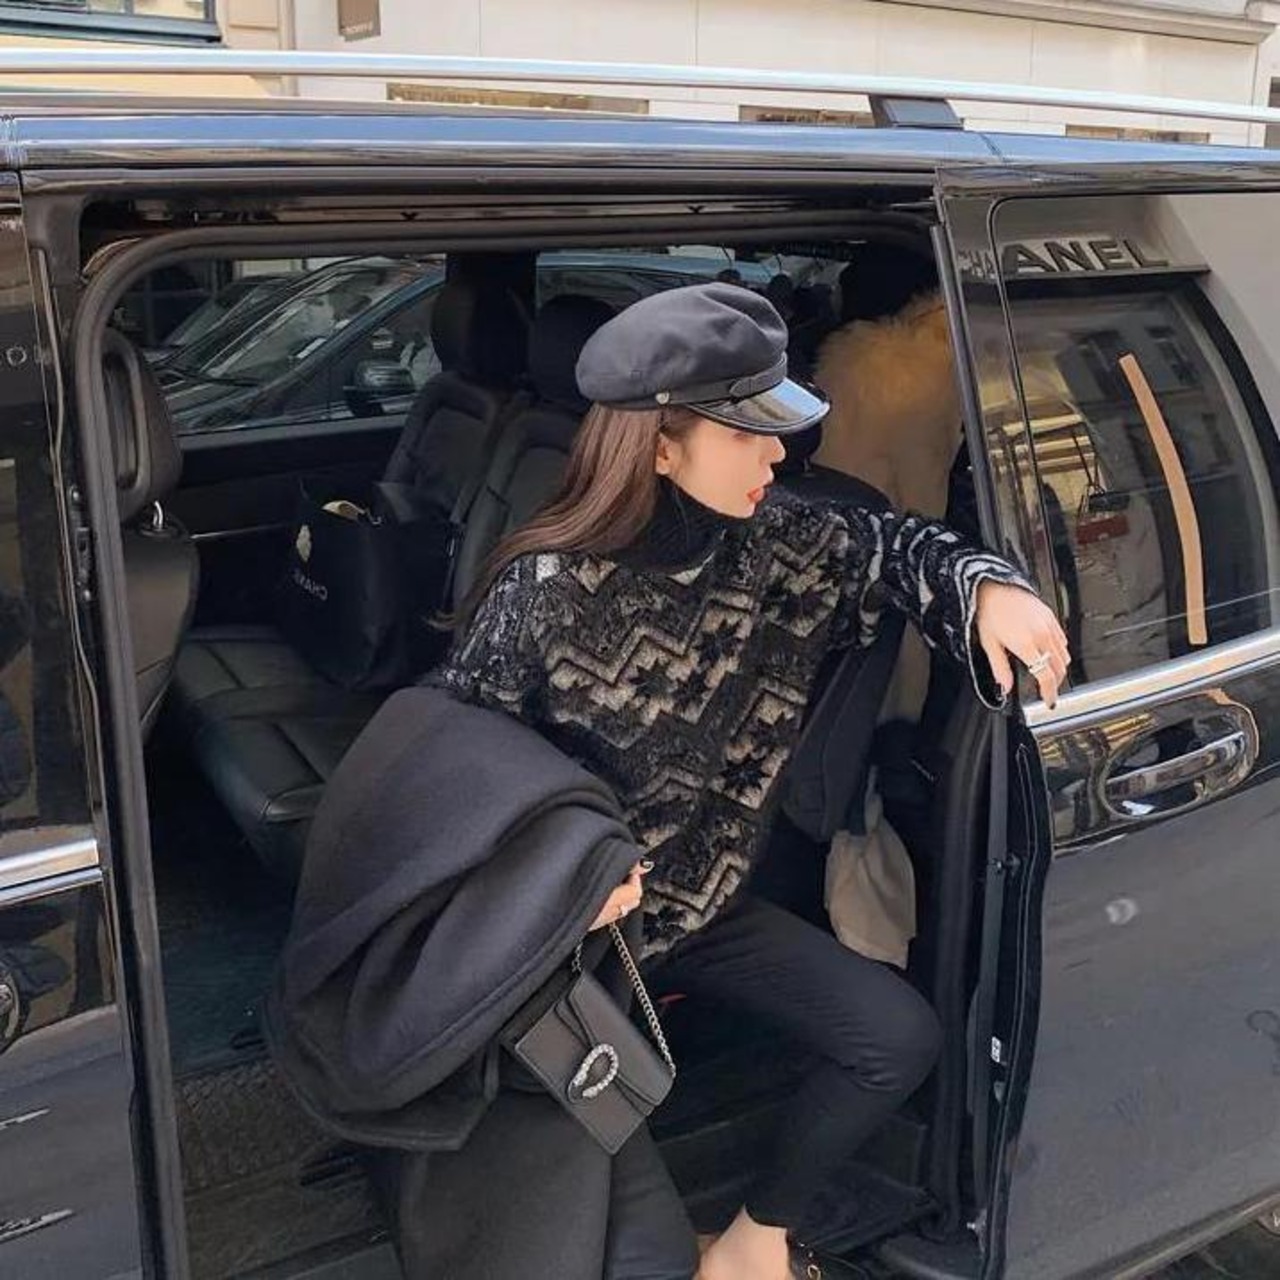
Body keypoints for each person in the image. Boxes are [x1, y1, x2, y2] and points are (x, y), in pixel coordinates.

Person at [427, 282, 1068, 1280]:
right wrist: (563, 867)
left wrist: (982, 588)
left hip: (702, 903)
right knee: (625, 1246)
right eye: (746, 434)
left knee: (896, 1037)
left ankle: (755, 1235)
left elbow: (894, 544)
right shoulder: (544, 590)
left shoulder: (775, 543)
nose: (778, 453)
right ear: (659, 446)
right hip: (566, 938)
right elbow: (458, 770)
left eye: (778, 426)